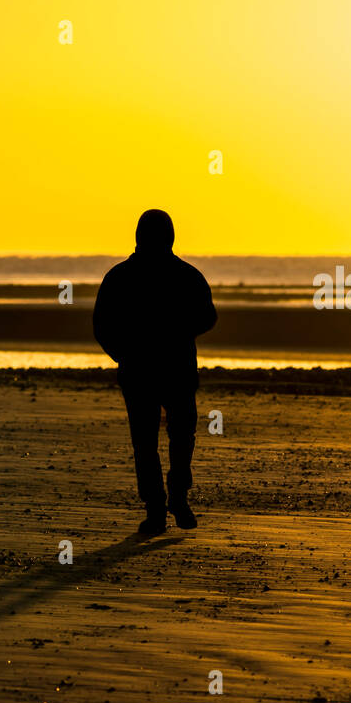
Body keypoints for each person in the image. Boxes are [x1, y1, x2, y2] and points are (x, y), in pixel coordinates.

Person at [93, 209, 217, 535]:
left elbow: (102, 325)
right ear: (171, 236)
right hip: (171, 368)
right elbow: (207, 318)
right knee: (178, 438)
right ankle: (171, 500)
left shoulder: (120, 276)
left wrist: (122, 354)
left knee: (148, 442)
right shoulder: (186, 275)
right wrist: (177, 332)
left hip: (144, 371)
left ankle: (162, 505)